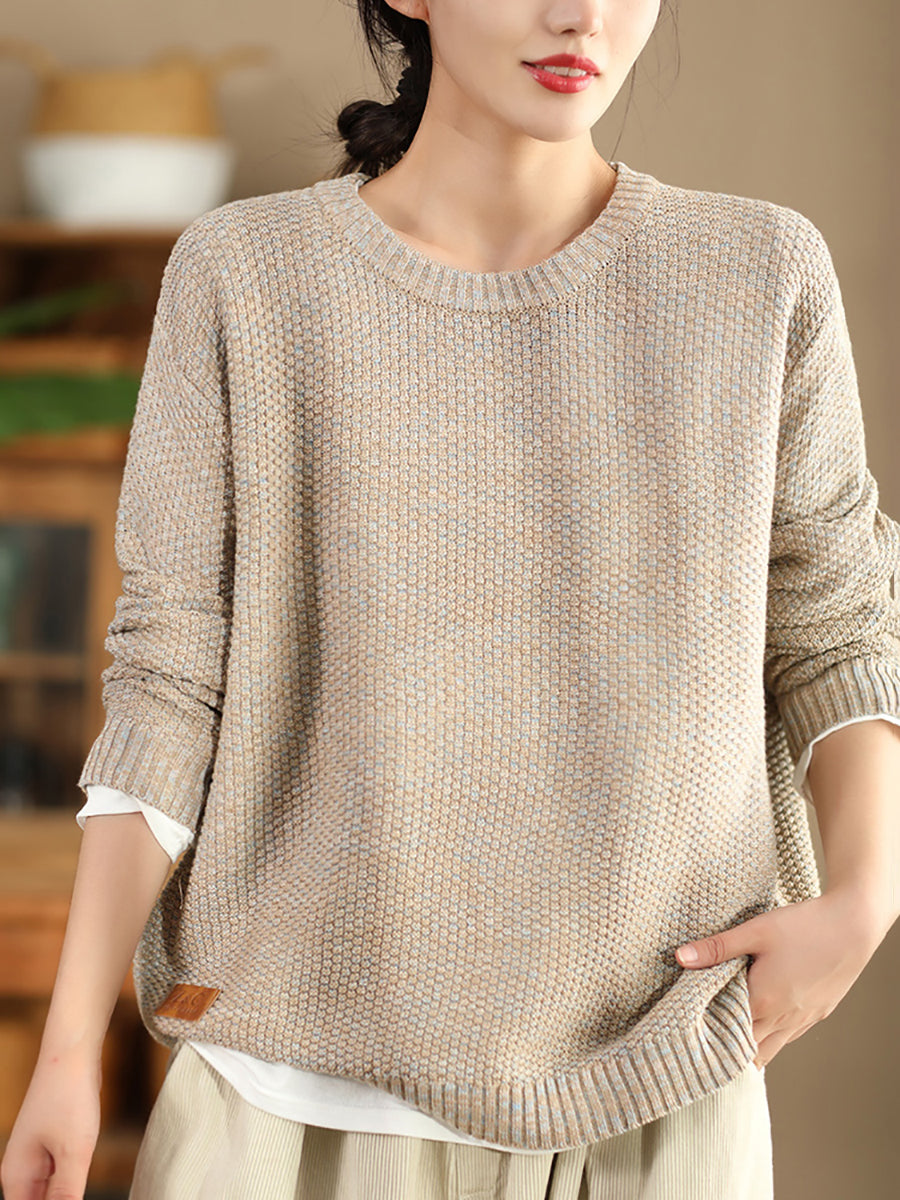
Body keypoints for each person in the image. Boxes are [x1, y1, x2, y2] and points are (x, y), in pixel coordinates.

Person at [3, 1, 900, 1198]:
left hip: (661, 1081)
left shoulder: (760, 272)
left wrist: (868, 897)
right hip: (287, 1102)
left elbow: (836, 626)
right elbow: (169, 684)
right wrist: (69, 1051)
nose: (579, 14)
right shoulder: (246, 276)